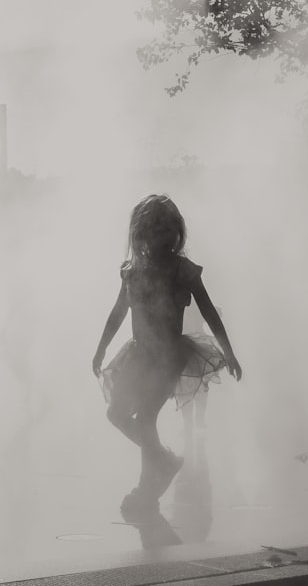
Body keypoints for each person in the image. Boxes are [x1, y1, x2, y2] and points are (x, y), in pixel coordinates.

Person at [92, 194, 241, 516]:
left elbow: (209, 312)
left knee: (146, 418)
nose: (161, 238)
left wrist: (228, 351)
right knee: (116, 414)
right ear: (140, 234)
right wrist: (101, 347)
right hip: (138, 355)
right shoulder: (131, 271)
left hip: (168, 355)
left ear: (177, 234)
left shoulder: (182, 270)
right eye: (154, 230)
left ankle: (149, 489)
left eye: (167, 231)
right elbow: (118, 312)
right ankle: (162, 458)